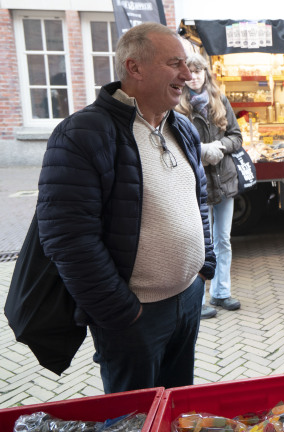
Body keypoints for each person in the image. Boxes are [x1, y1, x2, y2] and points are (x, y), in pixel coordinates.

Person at [36, 22, 215, 394]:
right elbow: (67, 237)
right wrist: (120, 311)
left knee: (178, 405)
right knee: (134, 416)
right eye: (174, 63)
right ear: (134, 68)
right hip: (135, 315)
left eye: (186, 64)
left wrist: (203, 268)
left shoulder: (181, 127)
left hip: (188, 299)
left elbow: (197, 200)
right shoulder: (82, 133)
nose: (187, 74)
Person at [176, 53, 243, 320]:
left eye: (199, 71)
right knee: (198, 242)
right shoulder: (177, 105)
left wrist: (220, 147)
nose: (194, 76)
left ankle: (221, 292)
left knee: (223, 240)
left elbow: (236, 137)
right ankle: (198, 298)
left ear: (207, 73)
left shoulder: (220, 100)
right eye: (190, 72)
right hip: (195, 185)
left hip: (224, 180)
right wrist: (199, 150)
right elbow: (171, 141)